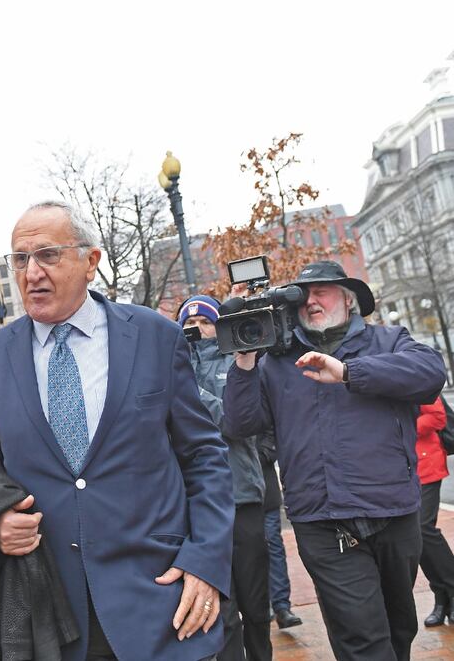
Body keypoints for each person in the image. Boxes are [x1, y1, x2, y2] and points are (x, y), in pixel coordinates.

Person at [0, 200, 235, 661]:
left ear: (91, 262)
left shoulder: (154, 336)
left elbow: (204, 456)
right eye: (20, 259)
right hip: (52, 615)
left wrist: (206, 562)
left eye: (48, 255)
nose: (31, 273)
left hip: (161, 600)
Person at [222, 260, 446, 660]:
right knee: (362, 636)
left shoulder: (389, 340)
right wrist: (243, 359)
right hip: (323, 521)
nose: (310, 302)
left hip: (394, 510)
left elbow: (429, 374)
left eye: (320, 292)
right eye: (302, 296)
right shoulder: (276, 362)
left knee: (398, 628)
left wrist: (347, 372)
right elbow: (240, 423)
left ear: (348, 298)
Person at [179, 295, 272, 661]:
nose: (197, 332)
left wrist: (186, 394)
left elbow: (235, 422)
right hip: (198, 505)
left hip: (242, 496)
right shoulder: (174, 367)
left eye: (204, 323)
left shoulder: (241, 362)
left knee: (256, 603)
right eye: (189, 326)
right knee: (222, 607)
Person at [256, 432, 302, 630]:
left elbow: (272, 433)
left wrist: (259, 454)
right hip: (230, 492)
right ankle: (259, 606)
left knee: (273, 545)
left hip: (264, 488)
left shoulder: (257, 400)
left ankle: (282, 607)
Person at [415, 396, 454, 626]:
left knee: (422, 529)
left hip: (426, 463)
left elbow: (437, 417)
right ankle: (442, 597)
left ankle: (450, 589)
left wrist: (402, 428)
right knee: (413, 536)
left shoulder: (410, 368)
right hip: (399, 470)